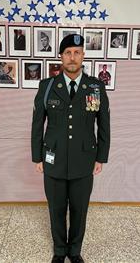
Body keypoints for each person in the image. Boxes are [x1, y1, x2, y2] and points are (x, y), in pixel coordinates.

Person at [31, 34, 110, 263]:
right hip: (52, 158)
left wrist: (101, 157)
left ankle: (74, 251)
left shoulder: (95, 86)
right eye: (68, 53)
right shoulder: (47, 87)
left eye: (76, 52)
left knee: (79, 209)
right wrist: (37, 157)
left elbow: (104, 123)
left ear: (83, 55)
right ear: (61, 57)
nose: (72, 57)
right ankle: (59, 250)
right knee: (56, 208)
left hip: (84, 159)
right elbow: (38, 124)